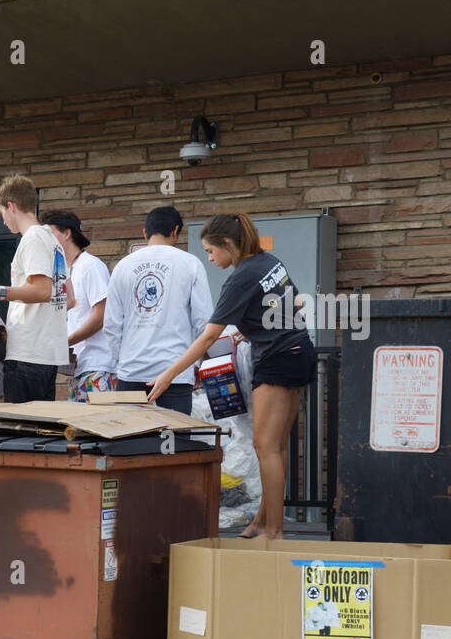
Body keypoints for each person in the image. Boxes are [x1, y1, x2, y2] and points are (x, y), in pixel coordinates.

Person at [147, 212, 318, 539]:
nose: (209, 258)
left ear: (227, 244)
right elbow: (291, 303)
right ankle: (261, 522)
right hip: (299, 351)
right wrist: (250, 329)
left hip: (278, 358)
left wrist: (169, 374)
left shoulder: (241, 276)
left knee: (265, 446)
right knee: (276, 447)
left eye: (211, 251)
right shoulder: (269, 262)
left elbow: (209, 336)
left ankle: (275, 533)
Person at [102, 205, 213, 414]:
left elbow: (111, 325)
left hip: (131, 373)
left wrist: (122, 359)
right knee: (174, 443)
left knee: (130, 442)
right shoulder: (191, 264)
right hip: (175, 373)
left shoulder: (122, 266)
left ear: (145, 233)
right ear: (175, 231)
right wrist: (196, 363)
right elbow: (204, 324)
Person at [0, 174, 73, 403]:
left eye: (2, 213)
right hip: (45, 352)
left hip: (28, 353)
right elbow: (68, 298)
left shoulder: (33, 238)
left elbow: (42, 291)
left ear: (11, 206)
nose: (4, 221)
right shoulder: (53, 240)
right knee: (37, 431)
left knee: (21, 430)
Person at [41, 210, 112, 400]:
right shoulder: (66, 270)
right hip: (80, 369)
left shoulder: (91, 266)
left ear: (67, 233)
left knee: (97, 427)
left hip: (98, 366)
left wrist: (65, 342)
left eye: (50, 234)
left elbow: (101, 316)